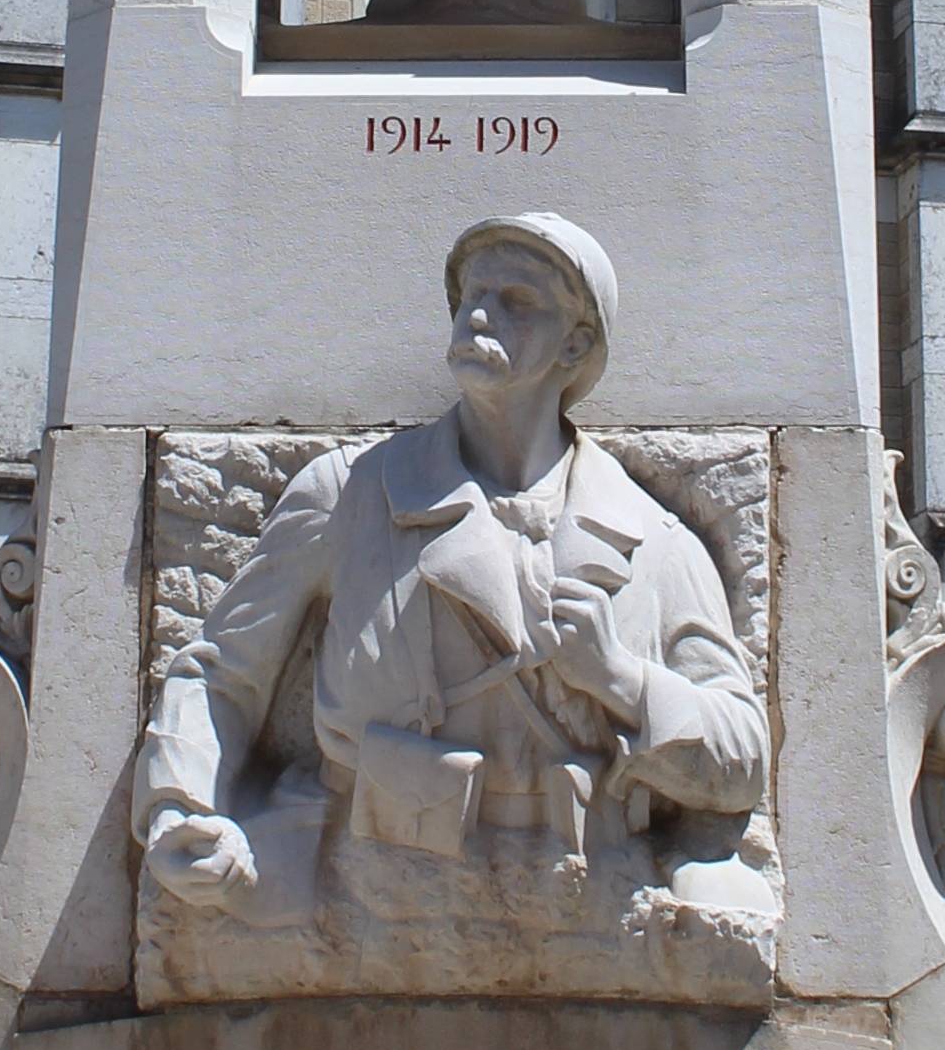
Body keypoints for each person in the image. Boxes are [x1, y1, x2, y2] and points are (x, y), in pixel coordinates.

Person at [130, 213, 771, 925]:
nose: (479, 315)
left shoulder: (654, 539)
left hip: (593, 904)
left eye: (516, 300)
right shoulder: (351, 493)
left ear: (577, 343)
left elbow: (741, 760)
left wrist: (618, 677)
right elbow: (220, 673)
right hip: (376, 900)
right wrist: (179, 808)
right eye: (472, 295)